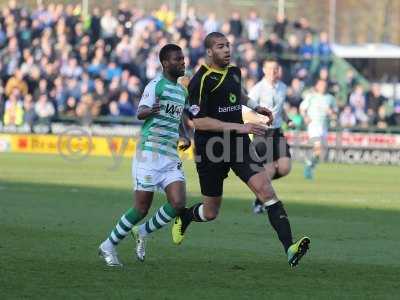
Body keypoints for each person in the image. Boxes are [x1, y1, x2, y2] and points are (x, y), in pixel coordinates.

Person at [172, 32, 310, 268]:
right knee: (211, 211)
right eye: (220, 46)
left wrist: (256, 106)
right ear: (209, 52)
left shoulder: (235, 72)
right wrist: (242, 126)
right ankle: (185, 216)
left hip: (238, 144)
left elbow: (238, 96)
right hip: (210, 149)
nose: (226, 49)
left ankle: (290, 248)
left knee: (266, 190)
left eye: (228, 45)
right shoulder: (201, 80)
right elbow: (200, 122)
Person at [98, 44, 191, 266]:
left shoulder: (181, 91)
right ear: (165, 63)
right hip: (148, 155)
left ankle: (143, 231)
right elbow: (141, 112)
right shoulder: (155, 86)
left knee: (178, 203)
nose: (183, 62)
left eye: (183, 58)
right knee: (141, 208)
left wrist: (185, 135)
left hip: (170, 155)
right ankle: (108, 245)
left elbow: (176, 118)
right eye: (178, 59)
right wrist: (151, 110)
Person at [247, 60, 293, 214]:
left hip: (278, 131)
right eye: (270, 69)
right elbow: (247, 110)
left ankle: (260, 187)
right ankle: (259, 201)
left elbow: (280, 109)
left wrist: (288, 119)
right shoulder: (257, 89)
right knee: (270, 170)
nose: (274, 71)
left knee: (285, 168)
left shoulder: (283, 87)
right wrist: (259, 120)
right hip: (263, 132)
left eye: (276, 68)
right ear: (264, 70)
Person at [300, 79, 337, 179]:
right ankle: (309, 166)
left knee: (321, 152)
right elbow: (302, 108)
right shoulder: (311, 96)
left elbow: (335, 113)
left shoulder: (330, 98)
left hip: (324, 126)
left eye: (324, 85)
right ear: (317, 85)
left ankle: (309, 164)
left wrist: (331, 113)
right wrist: (305, 117)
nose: (323, 87)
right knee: (318, 146)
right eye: (320, 85)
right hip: (313, 124)